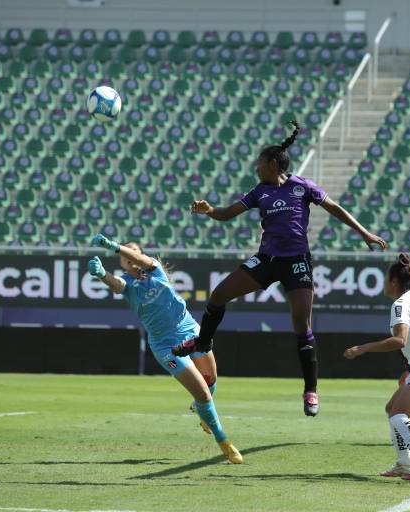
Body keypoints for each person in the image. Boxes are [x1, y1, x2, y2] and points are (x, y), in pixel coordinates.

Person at [173, 120, 387, 417]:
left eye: (260, 163)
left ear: (273, 164)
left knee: (301, 325)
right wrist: (209, 210)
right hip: (267, 260)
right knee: (219, 294)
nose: (256, 167)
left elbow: (335, 208)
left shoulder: (302, 186)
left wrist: (364, 232)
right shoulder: (259, 191)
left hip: (296, 261)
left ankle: (311, 390)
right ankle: (203, 342)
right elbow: (227, 214)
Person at [88, 234, 242, 463]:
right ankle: (224, 442)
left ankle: (202, 413)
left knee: (211, 381)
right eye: (124, 256)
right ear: (122, 263)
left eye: (133, 252)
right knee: (202, 393)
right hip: (165, 345)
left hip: (190, 331)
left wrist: (114, 246)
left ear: (140, 255)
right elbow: (116, 284)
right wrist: (102, 274)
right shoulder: (127, 283)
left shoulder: (154, 269)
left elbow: (140, 260)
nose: (129, 257)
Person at [344, 254, 410, 480]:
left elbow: (400, 340)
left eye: (386, 278)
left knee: (398, 415)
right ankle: (404, 463)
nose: (384, 282)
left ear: (393, 282)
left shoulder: (400, 305)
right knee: (392, 409)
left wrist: (363, 348)